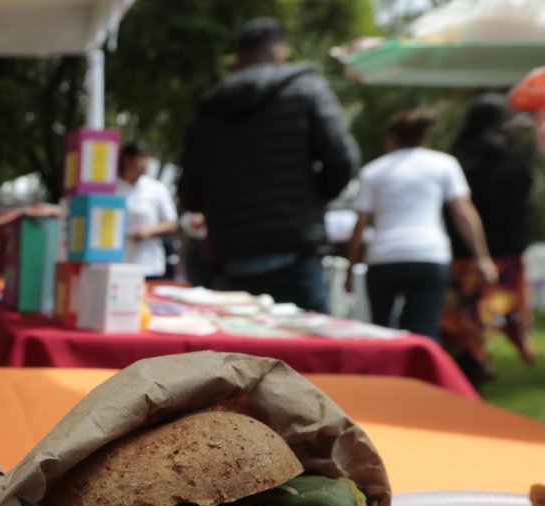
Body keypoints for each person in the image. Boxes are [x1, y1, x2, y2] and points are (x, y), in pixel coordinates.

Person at [178, 17, 359, 313]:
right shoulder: (308, 89)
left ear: (237, 61)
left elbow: (190, 196)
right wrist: (313, 199)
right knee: (306, 357)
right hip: (295, 250)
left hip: (231, 261)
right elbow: (343, 160)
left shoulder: (209, 112)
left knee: (236, 357)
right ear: (282, 55)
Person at [345, 110, 497, 341]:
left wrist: (350, 267)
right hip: (429, 255)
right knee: (424, 331)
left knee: (381, 332)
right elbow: (463, 212)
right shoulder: (444, 164)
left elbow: (360, 224)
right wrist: (482, 257)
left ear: (392, 138)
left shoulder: (373, 171)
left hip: (383, 257)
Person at [441, 95, 537, 385]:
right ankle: (499, 345)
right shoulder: (513, 158)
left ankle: (472, 358)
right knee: (502, 307)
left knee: (466, 314)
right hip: (507, 253)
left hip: (464, 253)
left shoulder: (459, 158)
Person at [117, 141, 177, 279]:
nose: (145, 164)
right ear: (127, 160)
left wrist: (148, 231)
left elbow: (172, 223)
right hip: (119, 263)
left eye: (147, 158)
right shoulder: (113, 189)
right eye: (141, 159)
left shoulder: (156, 188)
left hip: (149, 265)